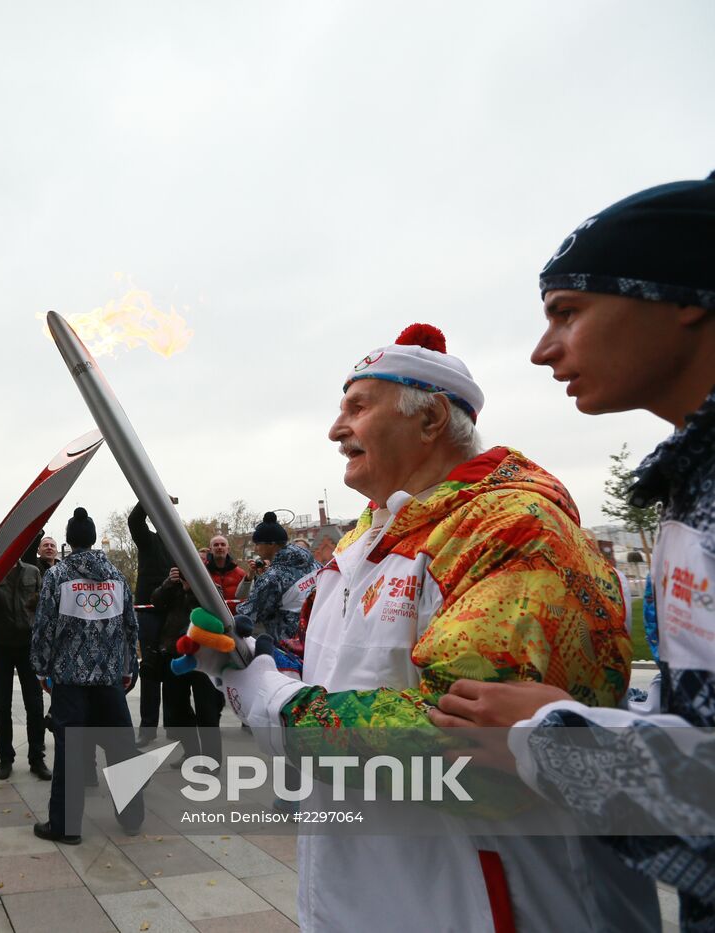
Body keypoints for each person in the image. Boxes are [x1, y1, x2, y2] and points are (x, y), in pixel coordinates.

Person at [189, 324, 657, 931]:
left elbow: (470, 752)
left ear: (431, 418)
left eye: (357, 408)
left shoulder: (514, 530)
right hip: (365, 893)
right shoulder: (364, 538)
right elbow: (352, 678)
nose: (336, 430)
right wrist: (246, 663)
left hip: (486, 902)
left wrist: (275, 706)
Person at [428, 173, 715, 930]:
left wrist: (554, 739)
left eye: (569, 311)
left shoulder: (522, 522)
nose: (540, 349)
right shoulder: (692, 485)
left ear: (685, 297)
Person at [31, 507, 142, 845]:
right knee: (122, 748)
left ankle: (65, 826)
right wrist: (129, 667)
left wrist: (41, 667)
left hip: (70, 680)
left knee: (70, 753)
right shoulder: (116, 575)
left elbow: (44, 627)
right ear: (93, 539)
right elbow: (130, 626)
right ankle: (133, 818)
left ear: (68, 539)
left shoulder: (57, 576)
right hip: (109, 680)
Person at [0, 559, 50, 781]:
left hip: (28, 645)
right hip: (0, 645)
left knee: (35, 703)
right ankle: (5, 758)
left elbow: (43, 604)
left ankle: (37, 758)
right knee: (2, 705)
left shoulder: (32, 571)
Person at [152, 565, 223, 765]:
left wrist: (192, 588)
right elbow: (155, 601)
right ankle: (191, 754)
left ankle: (211, 760)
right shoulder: (172, 587)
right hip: (175, 653)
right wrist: (169, 584)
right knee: (178, 709)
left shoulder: (210, 587)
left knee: (207, 711)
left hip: (203, 657)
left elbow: (214, 609)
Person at [232, 512, 320, 647]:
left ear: (271, 544)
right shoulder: (315, 564)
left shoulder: (273, 577)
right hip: (321, 635)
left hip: (293, 647)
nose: (255, 549)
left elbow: (248, 612)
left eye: (257, 544)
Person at [128, 501, 172, 745]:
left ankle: (176, 728)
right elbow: (134, 521)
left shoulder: (179, 544)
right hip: (150, 612)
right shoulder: (148, 540)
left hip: (175, 613)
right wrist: (149, 498)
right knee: (151, 669)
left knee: (176, 671)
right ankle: (148, 728)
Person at [204, 534, 244, 604]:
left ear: (228, 549)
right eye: (216, 545)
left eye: (223, 544)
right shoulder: (202, 573)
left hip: (235, 614)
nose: (219, 547)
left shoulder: (241, 574)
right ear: (210, 550)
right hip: (211, 614)